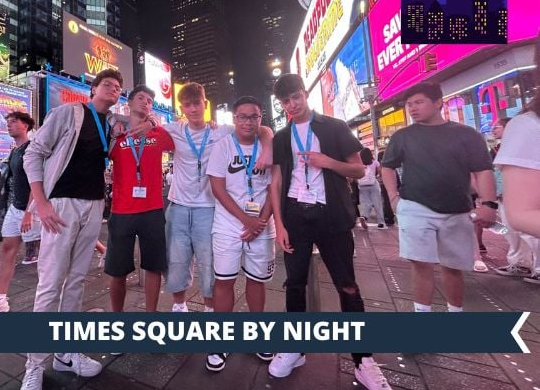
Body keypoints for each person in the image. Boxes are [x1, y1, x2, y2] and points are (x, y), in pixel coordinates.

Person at [268, 74, 391, 389]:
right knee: (294, 284)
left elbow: (358, 169)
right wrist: (279, 224)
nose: (292, 105)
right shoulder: (282, 137)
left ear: (304, 94)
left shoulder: (334, 127)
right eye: (285, 101)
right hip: (295, 216)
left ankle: (363, 361)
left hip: (332, 217)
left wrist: (326, 162)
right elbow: (278, 181)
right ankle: (295, 348)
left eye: (296, 97)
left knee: (347, 285)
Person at [21, 69, 124, 386]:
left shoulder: (109, 125)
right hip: (61, 204)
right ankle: (34, 364)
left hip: (93, 206)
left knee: (77, 282)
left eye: (119, 87)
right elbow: (33, 154)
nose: (114, 89)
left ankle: (66, 354)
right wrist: (40, 203)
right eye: (108, 84)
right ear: (93, 89)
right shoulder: (68, 112)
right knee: (50, 283)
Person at [157, 82, 273, 314]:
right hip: (178, 205)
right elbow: (150, 127)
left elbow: (262, 129)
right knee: (176, 260)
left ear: (205, 104)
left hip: (209, 207)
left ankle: (211, 308)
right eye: (187, 105)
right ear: (181, 108)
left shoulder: (223, 130)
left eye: (196, 103)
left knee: (210, 263)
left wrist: (268, 148)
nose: (193, 109)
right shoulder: (174, 129)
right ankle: (179, 304)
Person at [381, 82, 497, 313]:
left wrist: (489, 203)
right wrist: (394, 198)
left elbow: (483, 170)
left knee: (453, 266)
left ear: (438, 103)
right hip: (415, 206)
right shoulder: (403, 136)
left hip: (457, 209)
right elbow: (387, 167)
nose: (413, 108)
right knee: (420, 264)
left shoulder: (467, 135)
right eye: (409, 104)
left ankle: (455, 314)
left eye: (419, 102)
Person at [205, 96, 275, 372]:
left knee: (257, 282)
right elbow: (218, 189)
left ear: (261, 119)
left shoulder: (268, 147)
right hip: (228, 226)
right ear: (234, 119)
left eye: (254, 117)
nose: (248, 121)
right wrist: (247, 219)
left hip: (261, 224)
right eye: (242, 116)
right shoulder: (222, 147)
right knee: (224, 281)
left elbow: (274, 187)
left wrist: (261, 220)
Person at [106, 85, 175, 314]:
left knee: (153, 267)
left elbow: (181, 137)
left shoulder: (158, 134)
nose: (146, 102)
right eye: (141, 98)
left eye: (150, 101)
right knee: (118, 271)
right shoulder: (116, 135)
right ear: (129, 103)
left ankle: (151, 318)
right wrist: (113, 124)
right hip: (122, 211)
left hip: (153, 210)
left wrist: (154, 123)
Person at [0, 111, 41, 312]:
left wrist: (30, 212)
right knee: (7, 250)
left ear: (26, 125)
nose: (9, 125)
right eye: (8, 122)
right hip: (16, 208)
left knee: (47, 259)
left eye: (14, 122)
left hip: (34, 210)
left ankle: (52, 300)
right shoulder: (15, 151)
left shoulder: (33, 148)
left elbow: (37, 181)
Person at [495, 93, 540, 270]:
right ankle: (524, 264)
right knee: (518, 234)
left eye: (497, 126)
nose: (494, 129)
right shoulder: (528, 125)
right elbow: (522, 215)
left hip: (508, 196)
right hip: (508, 196)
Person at [357, 147, 386, 229]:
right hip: (373, 184)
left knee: (366, 203)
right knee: (377, 203)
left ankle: (364, 217)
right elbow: (380, 174)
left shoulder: (359, 164)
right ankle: (380, 223)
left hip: (362, 185)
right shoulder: (375, 163)